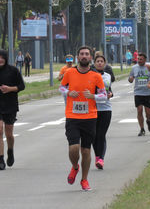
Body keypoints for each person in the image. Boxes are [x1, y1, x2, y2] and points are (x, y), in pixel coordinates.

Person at [60, 46, 107, 191]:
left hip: (90, 117)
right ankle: (75, 167)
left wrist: (93, 96)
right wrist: (68, 92)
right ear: (77, 57)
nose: (84, 56)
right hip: (72, 116)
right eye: (82, 54)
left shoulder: (96, 76)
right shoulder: (69, 72)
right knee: (73, 147)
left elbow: (104, 95)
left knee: (86, 151)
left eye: (87, 54)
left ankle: (84, 180)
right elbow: (61, 88)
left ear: (91, 58)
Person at [92, 54, 113, 170]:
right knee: (94, 135)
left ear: (104, 64)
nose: (100, 63)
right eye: (98, 61)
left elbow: (109, 90)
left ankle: (101, 159)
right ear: (94, 63)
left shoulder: (108, 76)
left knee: (101, 134)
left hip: (106, 108)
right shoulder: (91, 75)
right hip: (93, 109)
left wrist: (111, 94)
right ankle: (97, 155)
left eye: (102, 61)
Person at [128, 53, 150, 136]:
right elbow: (130, 79)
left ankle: (148, 121)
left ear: (145, 60)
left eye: (141, 59)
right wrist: (130, 79)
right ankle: (142, 129)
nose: (139, 61)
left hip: (148, 92)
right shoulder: (134, 68)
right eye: (138, 59)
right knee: (139, 110)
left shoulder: (149, 66)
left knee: (148, 113)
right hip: (138, 92)